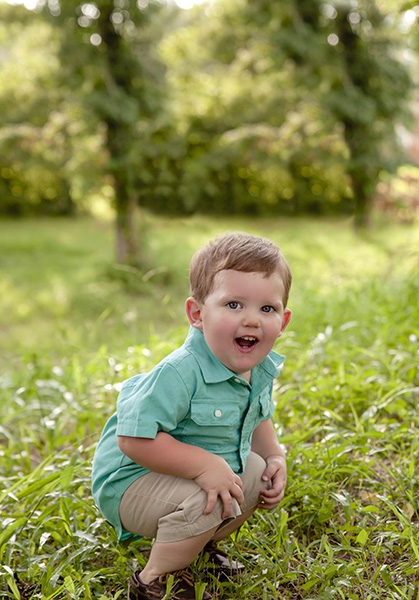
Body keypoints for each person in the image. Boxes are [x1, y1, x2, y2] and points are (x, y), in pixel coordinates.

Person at [91, 233, 293, 599]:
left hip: (184, 476)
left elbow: (258, 417)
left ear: (284, 320)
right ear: (198, 314)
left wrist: (276, 457)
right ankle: (155, 578)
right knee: (211, 493)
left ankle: (194, 549)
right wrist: (204, 466)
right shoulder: (181, 372)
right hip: (132, 481)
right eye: (233, 305)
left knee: (253, 469)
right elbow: (133, 440)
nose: (251, 320)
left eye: (267, 309)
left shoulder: (258, 369)